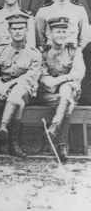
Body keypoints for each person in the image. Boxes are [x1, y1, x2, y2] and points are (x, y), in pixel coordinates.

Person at [0, 13, 42, 159]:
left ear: (26, 30)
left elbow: (30, 77)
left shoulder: (34, 53)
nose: (17, 31)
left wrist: (8, 85)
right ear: (9, 31)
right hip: (0, 93)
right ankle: (14, 144)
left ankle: (3, 126)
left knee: (18, 91)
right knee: (19, 103)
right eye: (14, 29)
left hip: (24, 89)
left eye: (21, 28)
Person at [38, 16, 86, 162]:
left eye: (64, 33)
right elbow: (43, 80)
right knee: (66, 101)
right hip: (49, 96)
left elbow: (79, 73)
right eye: (58, 32)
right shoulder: (43, 53)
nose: (61, 36)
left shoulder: (74, 51)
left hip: (69, 91)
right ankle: (62, 145)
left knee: (65, 91)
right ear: (50, 34)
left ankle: (55, 127)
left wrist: (59, 81)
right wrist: (65, 78)